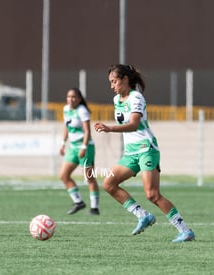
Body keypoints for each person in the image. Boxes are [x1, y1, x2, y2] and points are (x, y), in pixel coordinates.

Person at [94, 64, 195, 242]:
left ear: (125, 79)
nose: (112, 86)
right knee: (109, 183)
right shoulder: (117, 100)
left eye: (114, 81)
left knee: (152, 194)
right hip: (131, 153)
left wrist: (109, 128)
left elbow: (134, 124)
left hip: (146, 149)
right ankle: (143, 216)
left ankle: (185, 230)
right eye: (110, 82)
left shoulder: (136, 97)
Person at [59, 88, 100, 215]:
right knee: (64, 175)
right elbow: (67, 127)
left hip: (86, 147)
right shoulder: (66, 109)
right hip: (73, 147)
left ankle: (94, 208)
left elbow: (87, 131)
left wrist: (83, 147)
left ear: (79, 98)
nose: (71, 99)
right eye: (68, 96)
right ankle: (79, 202)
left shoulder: (82, 111)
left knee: (89, 178)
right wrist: (62, 143)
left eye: (74, 97)